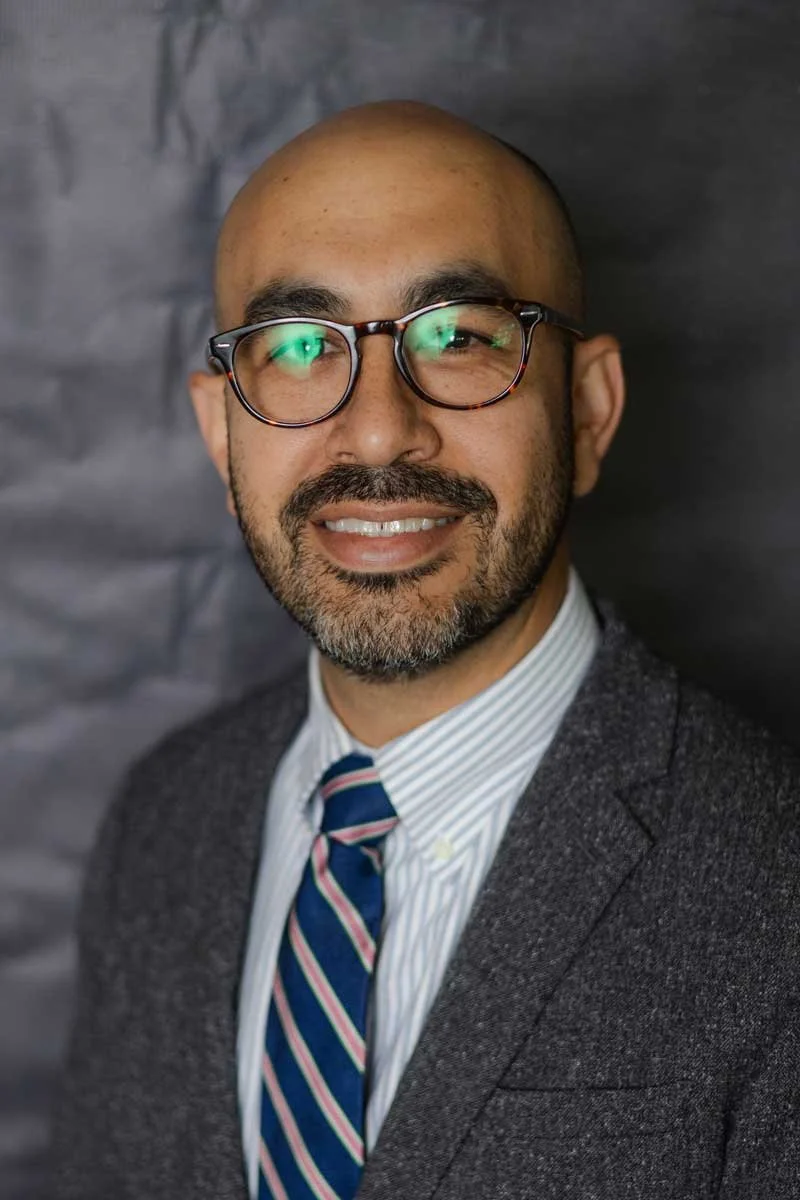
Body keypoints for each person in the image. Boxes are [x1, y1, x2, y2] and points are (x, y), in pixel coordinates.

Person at [52, 101, 800, 1199]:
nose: (377, 432)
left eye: (457, 335)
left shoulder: (770, 896)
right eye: (299, 347)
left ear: (587, 412)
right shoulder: (159, 825)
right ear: (222, 434)